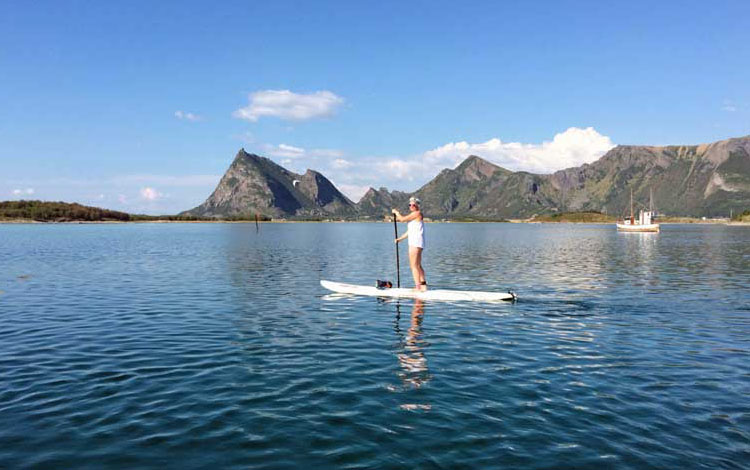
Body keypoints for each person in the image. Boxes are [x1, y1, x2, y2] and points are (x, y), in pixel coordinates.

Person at [392, 197, 427, 291]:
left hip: (415, 243)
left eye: (414, 204)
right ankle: (423, 285)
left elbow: (402, 219)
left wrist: (396, 213)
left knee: (414, 265)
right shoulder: (413, 216)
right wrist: (399, 239)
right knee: (418, 265)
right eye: (410, 204)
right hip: (417, 242)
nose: (411, 206)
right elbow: (409, 231)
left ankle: (418, 287)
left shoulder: (417, 213)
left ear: (417, 205)